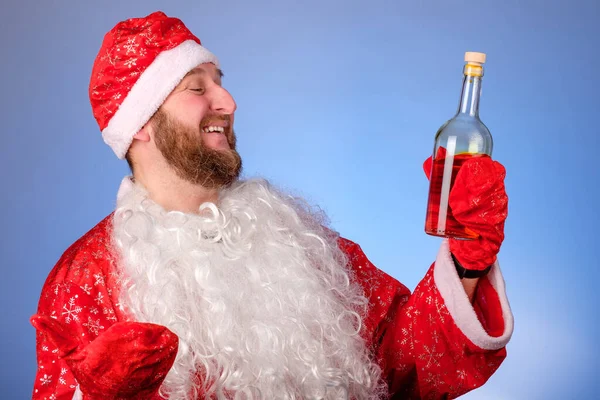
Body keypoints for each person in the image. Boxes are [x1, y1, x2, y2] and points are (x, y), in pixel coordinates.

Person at [30, 11, 513, 400]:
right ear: (139, 123)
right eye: (197, 87)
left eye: (219, 81)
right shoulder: (85, 280)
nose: (228, 100)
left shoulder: (292, 237)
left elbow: (402, 364)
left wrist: (467, 259)